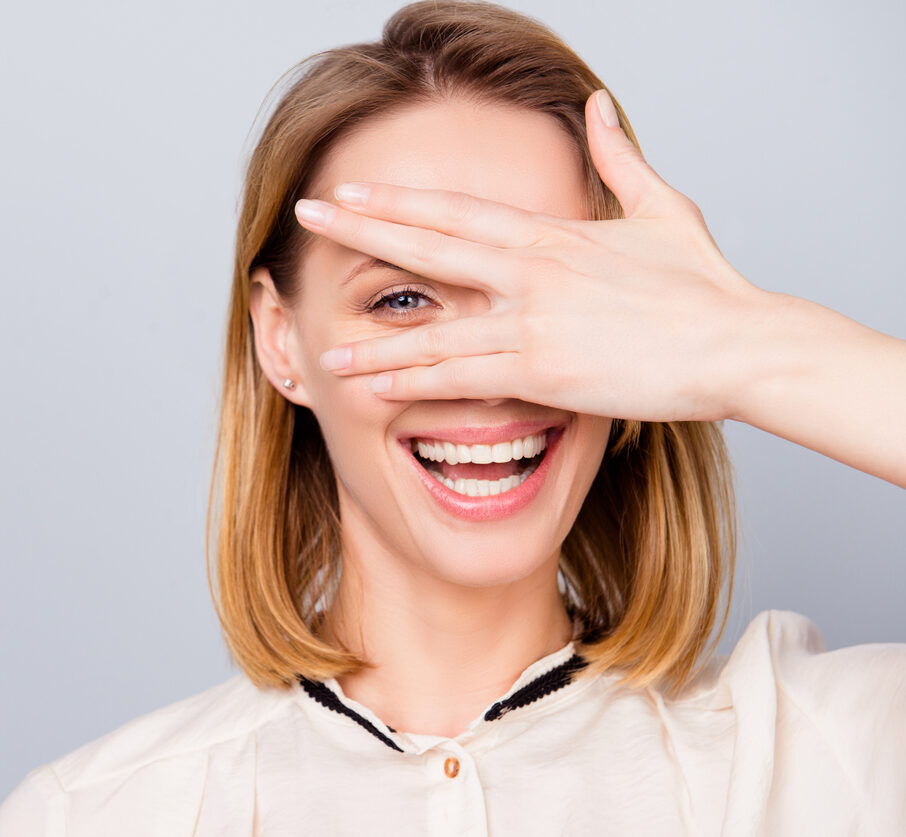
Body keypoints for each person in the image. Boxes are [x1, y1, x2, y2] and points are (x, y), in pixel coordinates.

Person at [2, 1, 904, 834]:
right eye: (401, 299)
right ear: (282, 341)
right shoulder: (91, 814)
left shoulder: (834, 758)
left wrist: (741, 348)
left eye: (545, 304)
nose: (487, 379)